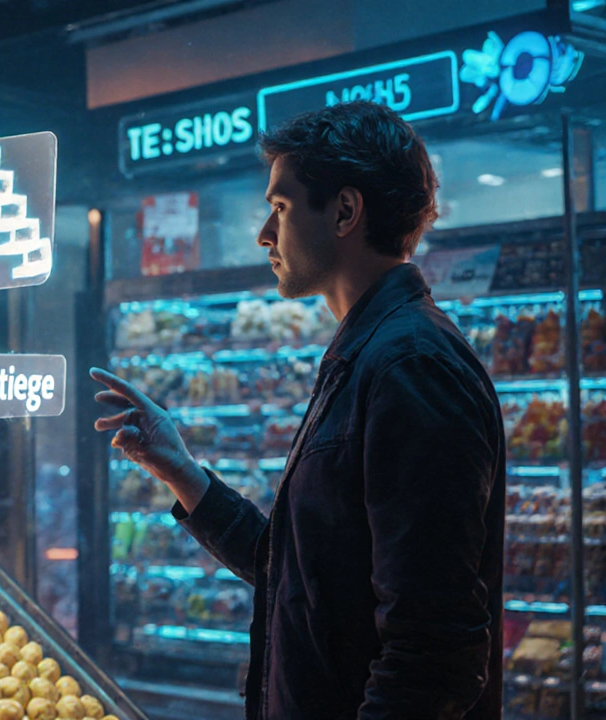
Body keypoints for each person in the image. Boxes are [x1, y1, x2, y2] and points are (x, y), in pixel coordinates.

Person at [92, 101, 505, 718]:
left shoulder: (409, 367)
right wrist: (180, 469)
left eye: (280, 208)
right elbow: (300, 578)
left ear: (344, 211)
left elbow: (435, 651)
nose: (264, 234)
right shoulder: (369, 354)